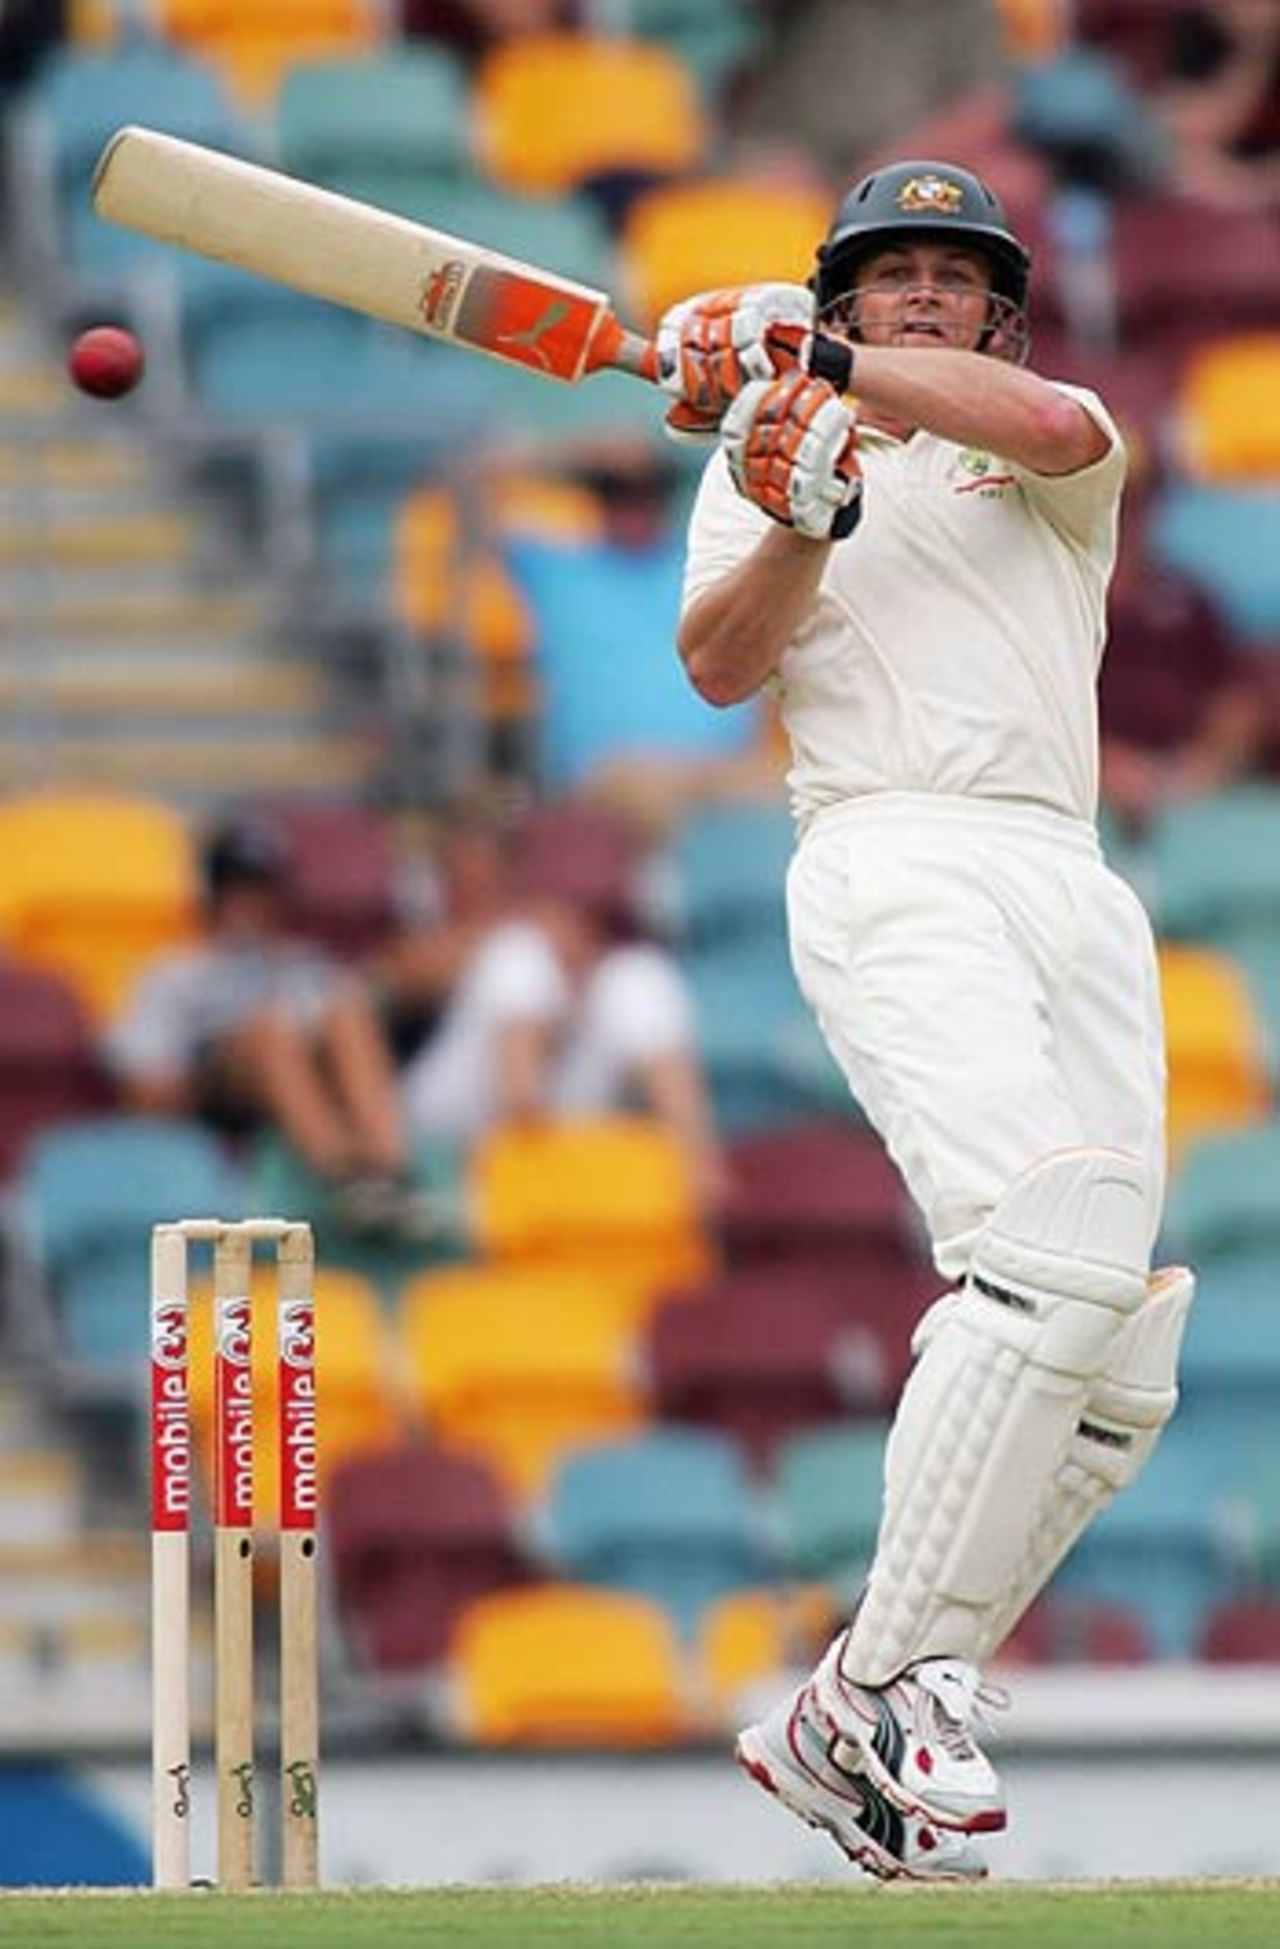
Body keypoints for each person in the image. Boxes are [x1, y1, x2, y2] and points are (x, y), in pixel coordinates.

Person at [655, 159, 1194, 1881]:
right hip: (889, 846)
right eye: (886, 275)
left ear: (995, 306)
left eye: (949, 278)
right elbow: (722, 667)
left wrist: (821, 371)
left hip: (1066, 870)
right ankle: (882, 1687)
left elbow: (1047, 426)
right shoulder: (760, 464)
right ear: (842, 289)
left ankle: (871, 1693)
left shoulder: (1042, 436)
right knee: (1048, 1243)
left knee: (1120, 1360)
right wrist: (806, 512)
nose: (920, 294)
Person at [106, 814, 434, 1239]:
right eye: (236, 891)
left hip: (308, 1075)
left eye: (260, 891)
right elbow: (147, 1086)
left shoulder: (307, 966)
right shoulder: (174, 973)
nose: (249, 905)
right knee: (271, 1032)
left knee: (346, 1008)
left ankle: (391, 1171)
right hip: (219, 1093)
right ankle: (347, 1177)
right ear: (213, 896)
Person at [398, 799, 729, 1212]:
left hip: (563, 1158)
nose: (575, 923)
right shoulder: (506, 946)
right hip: (443, 1142)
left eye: (589, 909)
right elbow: (406, 974)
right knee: (520, 958)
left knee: (638, 979)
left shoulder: (625, 972)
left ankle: (691, 1192)